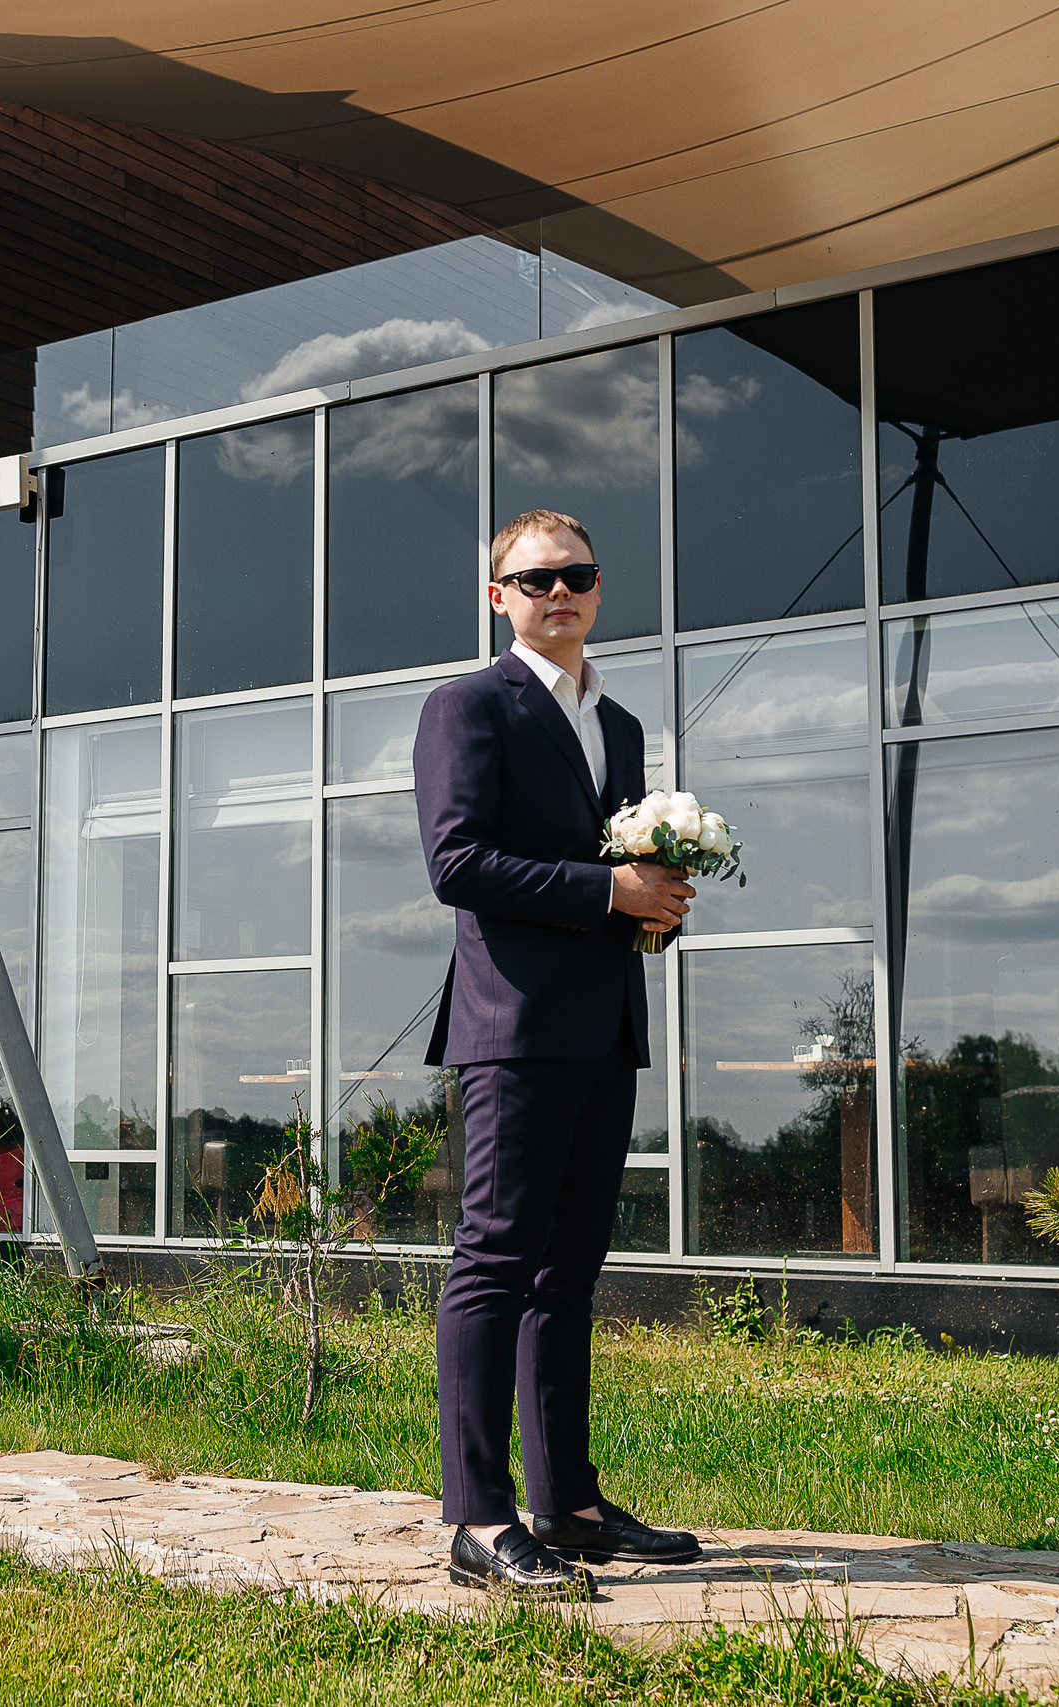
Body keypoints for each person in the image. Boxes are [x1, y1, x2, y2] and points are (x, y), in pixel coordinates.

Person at [413, 508, 703, 1596]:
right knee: (494, 1260)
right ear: (499, 598)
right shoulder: (466, 707)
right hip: (512, 1026)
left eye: (576, 575)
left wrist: (654, 903)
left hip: (603, 1023)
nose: (559, 593)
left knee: (567, 1273)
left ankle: (569, 1506)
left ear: (597, 587)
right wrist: (608, 890)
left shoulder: (617, 723)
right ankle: (480, 1520)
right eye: (534, 580)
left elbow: (615, 864)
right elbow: (456, 863)